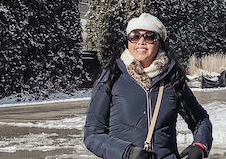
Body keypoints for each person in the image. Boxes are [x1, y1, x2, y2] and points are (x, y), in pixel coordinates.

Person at [84, 13, 213, 159]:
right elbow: (92, 134)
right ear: (128, 41)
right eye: (134, 36)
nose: (141, 41)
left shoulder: (173, 80)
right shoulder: (112, 77)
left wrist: (200, 145)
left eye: (150, 36)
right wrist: (126, 152)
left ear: (160, 43)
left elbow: (201, 120)